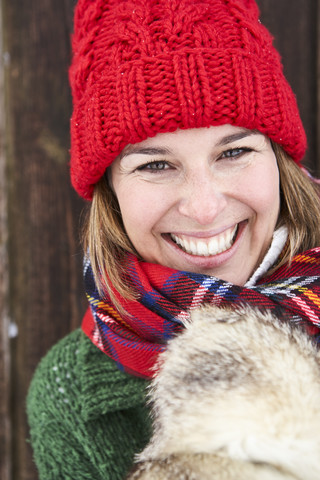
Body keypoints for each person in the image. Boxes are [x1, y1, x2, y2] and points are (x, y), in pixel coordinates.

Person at [27, 0, 320, 479]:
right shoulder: (71, 395)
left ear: (277, 158)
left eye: (235, 151)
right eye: (156, 165)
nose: (204, 207)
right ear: (111, 190)